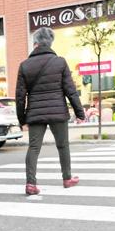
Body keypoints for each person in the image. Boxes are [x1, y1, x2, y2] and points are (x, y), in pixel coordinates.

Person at [15, 27, 85, 196]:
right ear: (50, 42)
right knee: (63, 146)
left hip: (35, 113)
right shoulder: (60, 62)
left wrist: (22, 119)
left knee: (33, 148)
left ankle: (30, 184)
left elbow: (19, 96)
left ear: (35, 44)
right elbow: (70, 90)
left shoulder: (24, 65)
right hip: (58, 111)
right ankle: (67, 179)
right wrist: (80, 113)